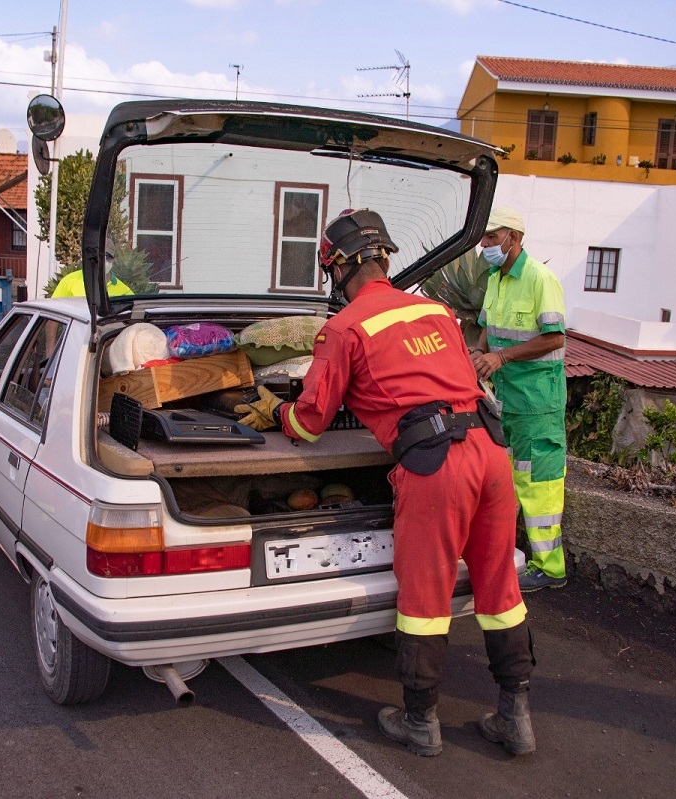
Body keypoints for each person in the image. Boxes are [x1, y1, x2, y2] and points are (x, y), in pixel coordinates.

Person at [235, 209, 537, 757]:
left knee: (425, 593)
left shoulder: (345, 327)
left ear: (337, 268)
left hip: (435, 464)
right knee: (500, 589)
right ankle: (516, 717)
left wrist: (274, 409)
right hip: (491, 452)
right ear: (386, 258)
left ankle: (420, 721)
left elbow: (308, 423)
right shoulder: (436, 310)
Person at [471, 207, 569, 593]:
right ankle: (508, 557)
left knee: (538, 484)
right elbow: (487, 329)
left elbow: (555, 338)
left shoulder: (540, 279)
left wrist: (500, 357)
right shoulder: (496, 278)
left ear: (513, 237)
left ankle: (550, 567)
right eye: (483, 239)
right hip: (506, 400)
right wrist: (478, 355)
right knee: (507, 481)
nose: (484, 246)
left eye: (491, 238)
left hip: (537, 403)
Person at [50, 237, 134, 298]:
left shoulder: (125, 292)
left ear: (114, 260)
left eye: (107, 256)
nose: (102, 261)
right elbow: (53, 315)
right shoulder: (69, 282)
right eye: (99, 256)